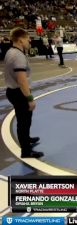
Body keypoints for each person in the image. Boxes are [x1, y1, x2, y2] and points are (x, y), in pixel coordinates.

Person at [4, 28, 43, 158]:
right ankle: (26, 151)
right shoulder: (18, 56)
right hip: (19, 92)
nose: (29, 41)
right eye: (27, 38)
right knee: (24, 121)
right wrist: (30, 98)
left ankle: (26, 139)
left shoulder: (11, 52)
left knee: (25, 120)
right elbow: (21, 80)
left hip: (14, 91)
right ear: (20, 40)